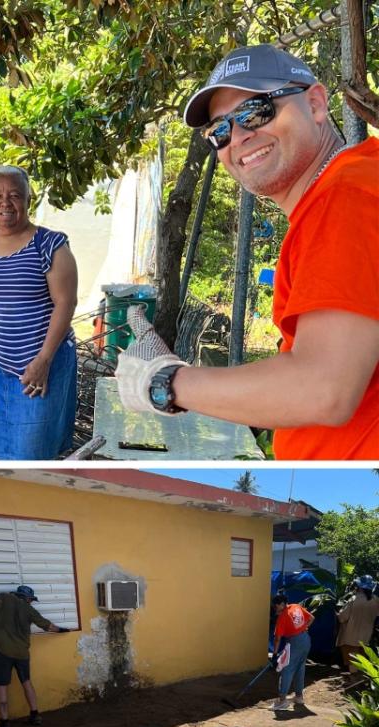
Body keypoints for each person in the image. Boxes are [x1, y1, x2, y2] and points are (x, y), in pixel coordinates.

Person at [115, 44, 379, 459]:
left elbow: (323, 387)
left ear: (315, 104)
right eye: (219, 130)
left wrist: (165, 382)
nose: (238, 137)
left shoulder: (346, 196)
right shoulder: (345, 190)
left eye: (256, 112)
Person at [0, 166, 79, 459]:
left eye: (14, 195)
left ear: (29, 200)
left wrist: (44, 360)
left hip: (38, 367)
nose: (5, 203)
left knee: (32, 453)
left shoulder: (50, 245)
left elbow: (66, 303)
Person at [0, 585, 70, 727]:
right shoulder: (30, 610)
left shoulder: (4, 598)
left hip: (1, 651)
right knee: (26, 682)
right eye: (31, 600)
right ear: (27, 598)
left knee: (1, 686)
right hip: (22, 653)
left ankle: (5, 723)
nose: (31, 603)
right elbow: (47, 626)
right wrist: (62, 630)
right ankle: (35, 715)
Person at [271, 592, 314, 710]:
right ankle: (299, 697)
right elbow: (311, 618)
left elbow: (277, 638)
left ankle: (282, 700)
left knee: (287, 669)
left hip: (295, 641)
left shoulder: (283, 616)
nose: (275, 608)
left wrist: (274, 655)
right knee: (300, 667)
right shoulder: (296, 606)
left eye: (276, 606)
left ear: (281, 604)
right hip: (306, 639)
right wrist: (303, 628)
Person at [337, 576, 379, 672]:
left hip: (350, 635)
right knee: (362, 658)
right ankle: (360, 679)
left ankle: (354, 679)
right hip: (366, 635)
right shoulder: (375, 600)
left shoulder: (354, 599)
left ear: (360, 587)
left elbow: (342, 618)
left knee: (352, 659)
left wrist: (338, 613)